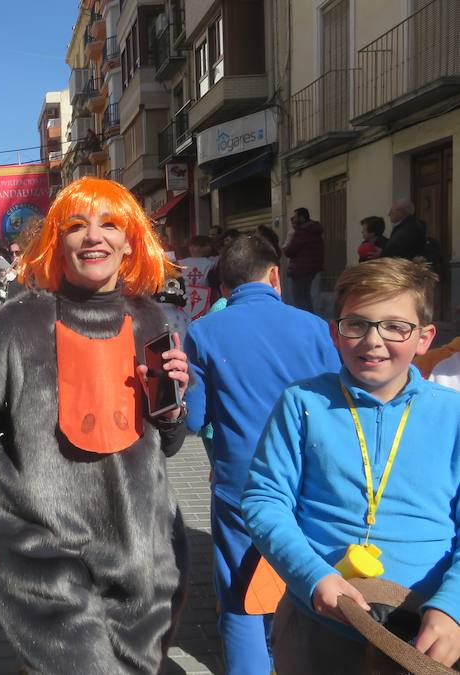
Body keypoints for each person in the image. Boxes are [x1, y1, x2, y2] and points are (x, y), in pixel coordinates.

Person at [0, 176, 191, 674]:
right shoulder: (20, 322)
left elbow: (172, 443)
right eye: (77, 226)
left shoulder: (151, 322)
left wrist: (171, 407)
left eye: (109, 224)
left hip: (137, 544)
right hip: (43, 542)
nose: (93, 236)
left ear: (129, 241)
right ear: (59, 242)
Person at [242, 258, 460, 672]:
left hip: (424, 632)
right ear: (334, 333)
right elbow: (264, 499)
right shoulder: (303, 403)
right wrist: (312, 577)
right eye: (356, 324)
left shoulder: (453, 414)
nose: (373, 340)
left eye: (395, 327)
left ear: (425, 337)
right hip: (318, 622)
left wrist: (452, 608)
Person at [183, 235, 342, 674]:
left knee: (240, 593)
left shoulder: (202, 332)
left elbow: (194, 420)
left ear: (224, 288)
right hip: (309, 481)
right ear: (275, 275)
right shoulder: (314, 326)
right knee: (302, 576)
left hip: (241, 482)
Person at [283, 207, 324, 313]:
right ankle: (311, 320)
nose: (293, 219)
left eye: (295, 216)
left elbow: (289, 251)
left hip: (300, 269)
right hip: (311, 269)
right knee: (306, 297)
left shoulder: (302, 232)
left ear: (302, 217)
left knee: (299, 298)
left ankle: (303, 323)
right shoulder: (315, 231)